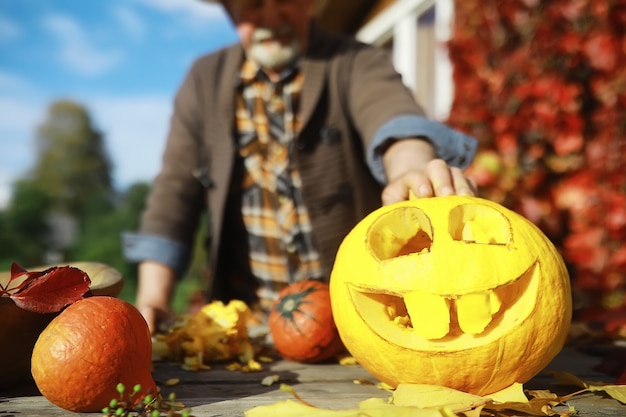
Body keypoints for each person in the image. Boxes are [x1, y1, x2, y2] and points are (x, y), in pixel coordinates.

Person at [123, 0, 478, 334]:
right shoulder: (205, 79)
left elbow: (392, 118)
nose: (272, 17)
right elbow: (175, 191)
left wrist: (409, 171)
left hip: (356, 319)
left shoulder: (355, 61)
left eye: (285, 0)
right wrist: (154, 298)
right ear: (232, 12)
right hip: (248, 322)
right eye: (254, 4)